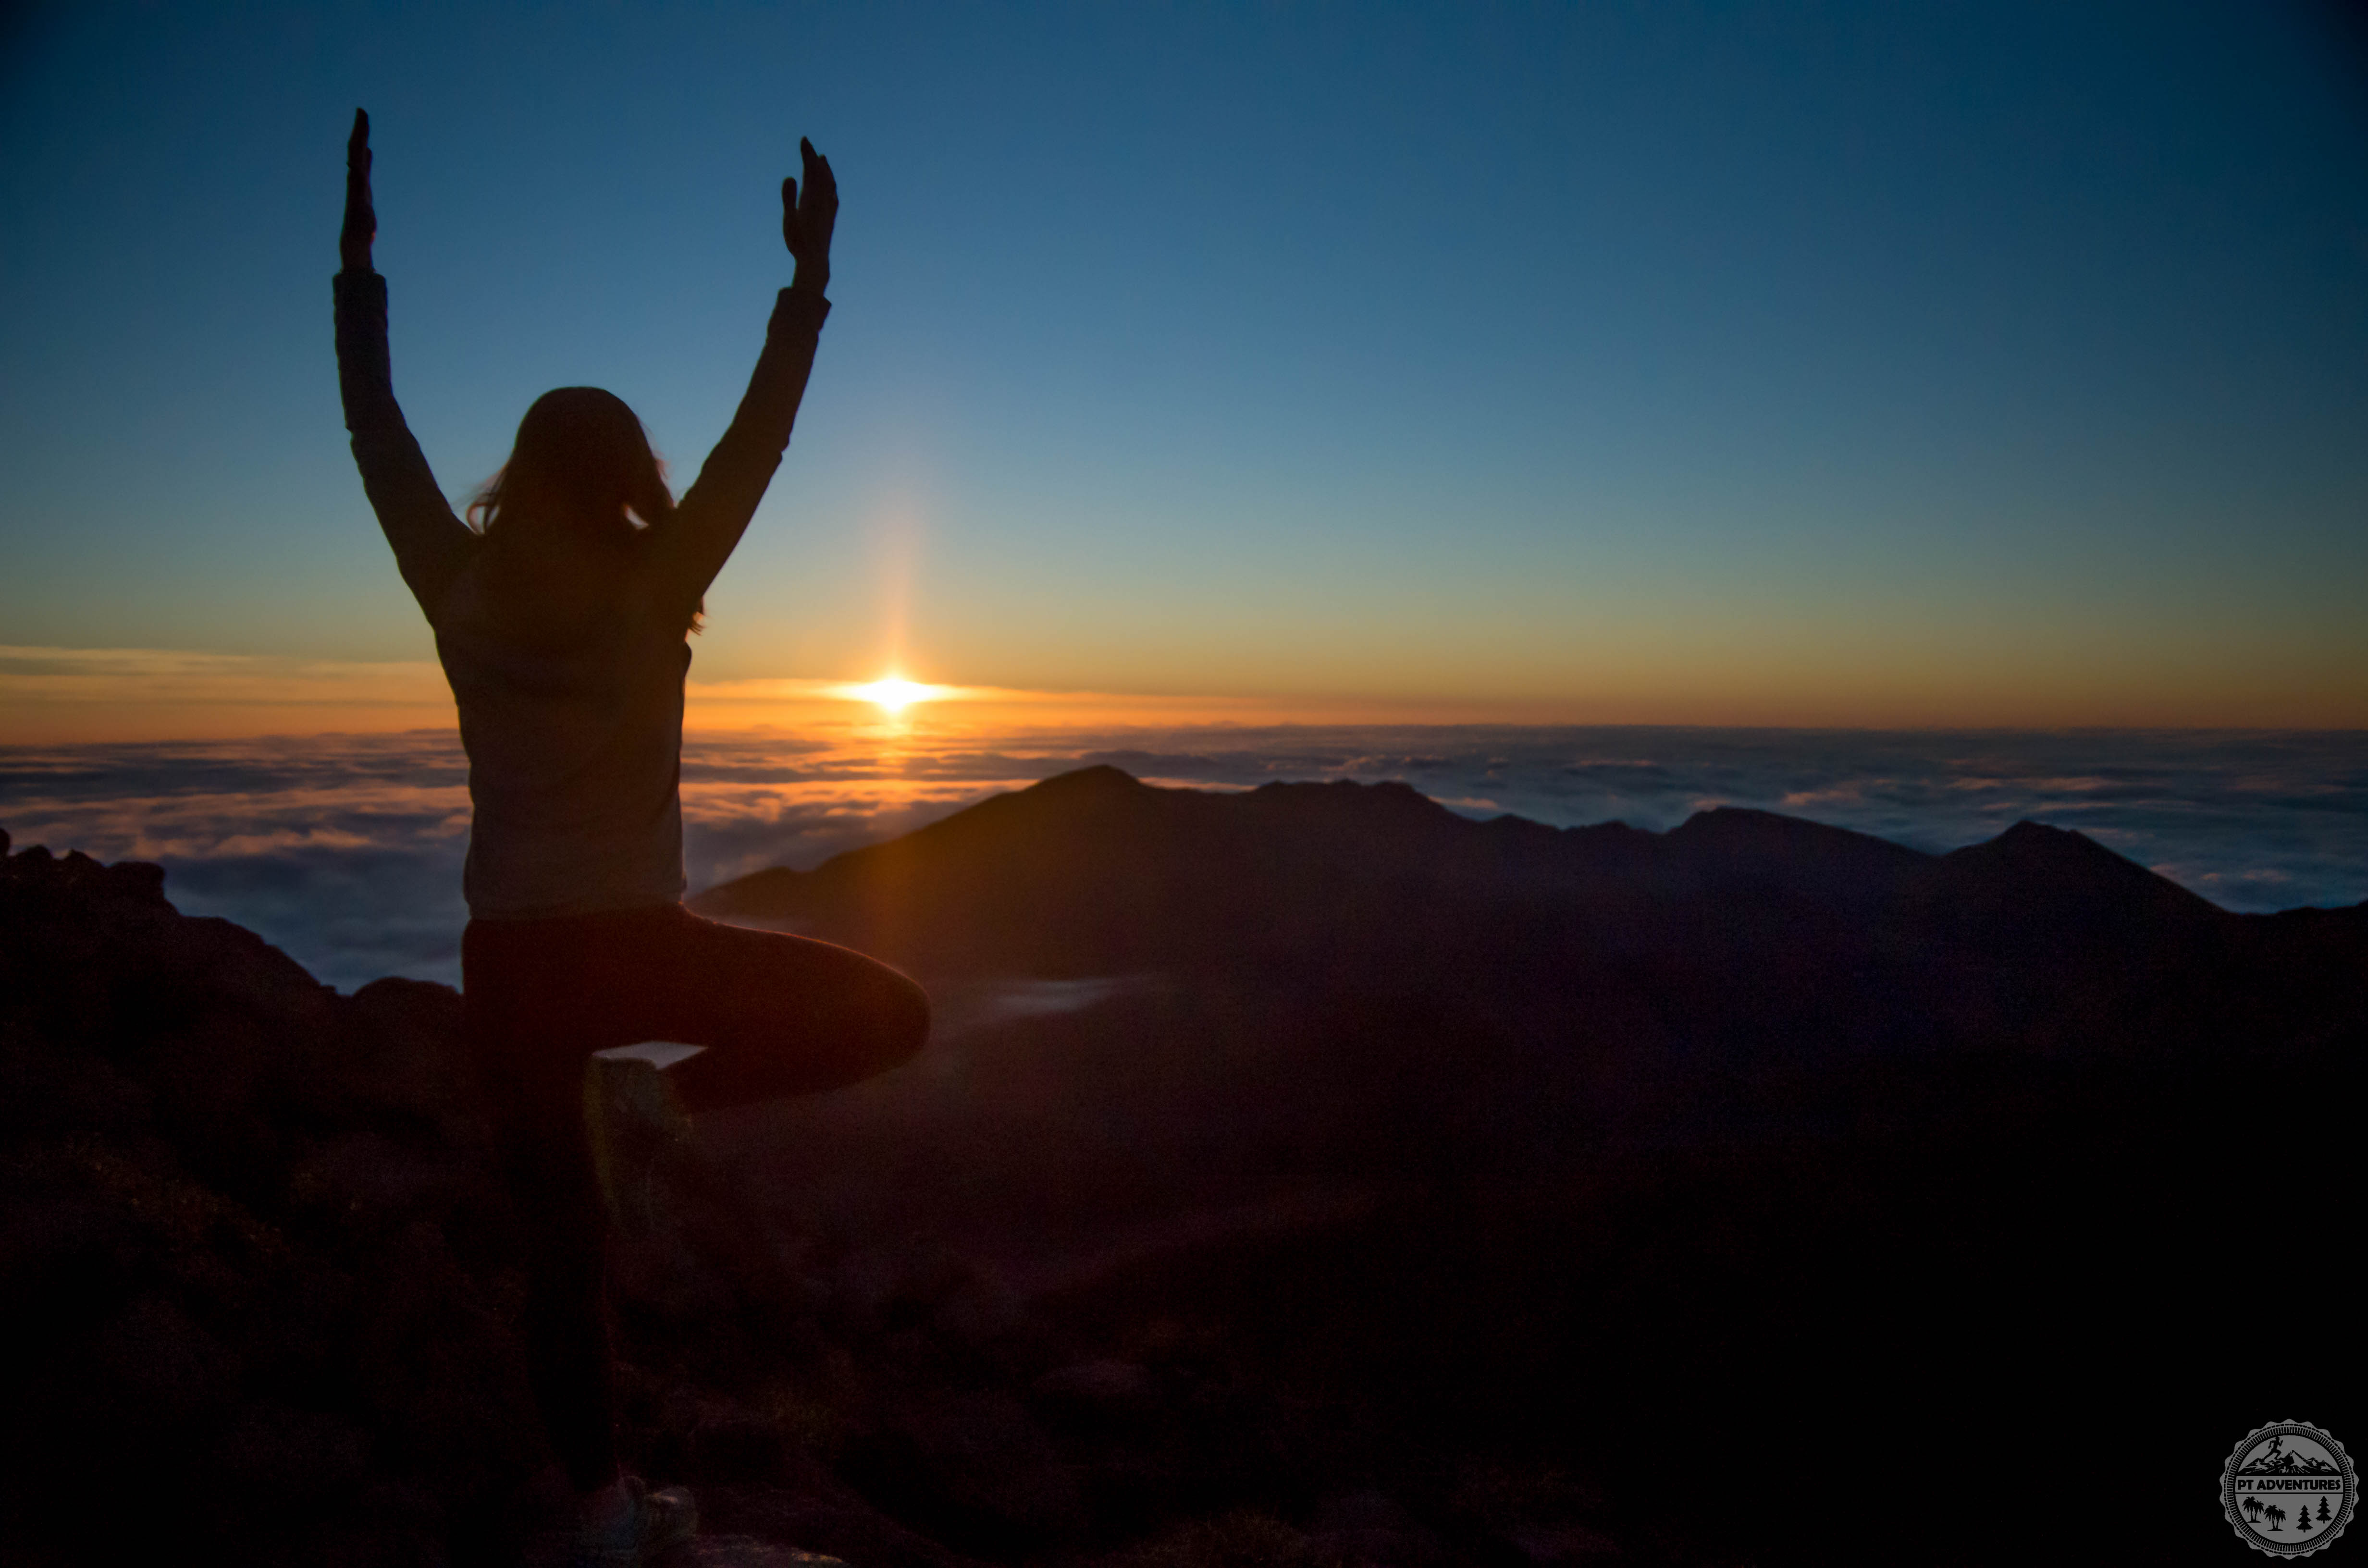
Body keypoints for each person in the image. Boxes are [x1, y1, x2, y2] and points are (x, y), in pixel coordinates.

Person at [333, 110, 929, 1566]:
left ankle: (599, 1516)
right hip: (634, 948)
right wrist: (807, 282)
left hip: (509, 967)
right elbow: (759, 440)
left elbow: (378, 428)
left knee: (561, 1259)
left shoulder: (453, 585)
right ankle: (661, 1115)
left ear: (524, 475)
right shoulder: (658, 578)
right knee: (887, 1014)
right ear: (624, 475)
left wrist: (356, 266)